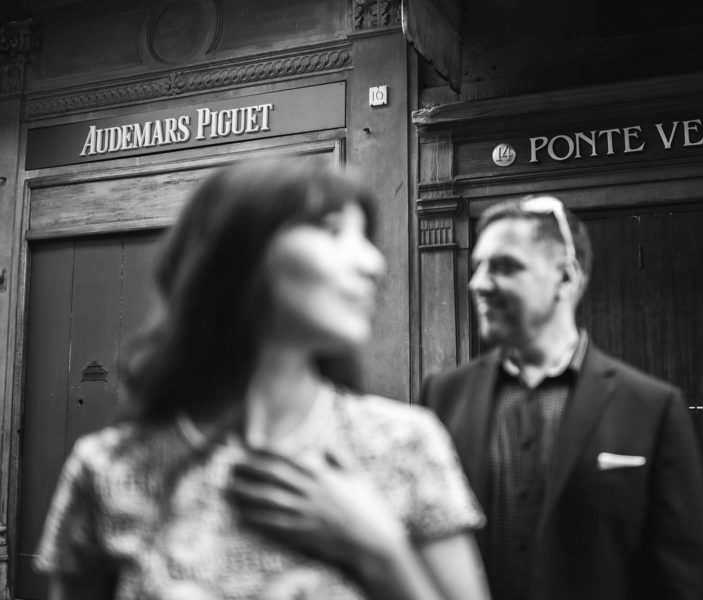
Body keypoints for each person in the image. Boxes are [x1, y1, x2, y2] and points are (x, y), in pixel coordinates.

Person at [34, 156, 490, 600]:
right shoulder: (110, 469)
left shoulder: (404, 445)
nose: (372, 262)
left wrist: (383, 553)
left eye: (367, 238)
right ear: (238, 254)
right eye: (333, 231)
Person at [419, 195, 703, 600]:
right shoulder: (442, 395)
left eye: (504, 266)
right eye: (479, 267)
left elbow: (683, 577)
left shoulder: (651, 407)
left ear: (566, 277)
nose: (479, 284)